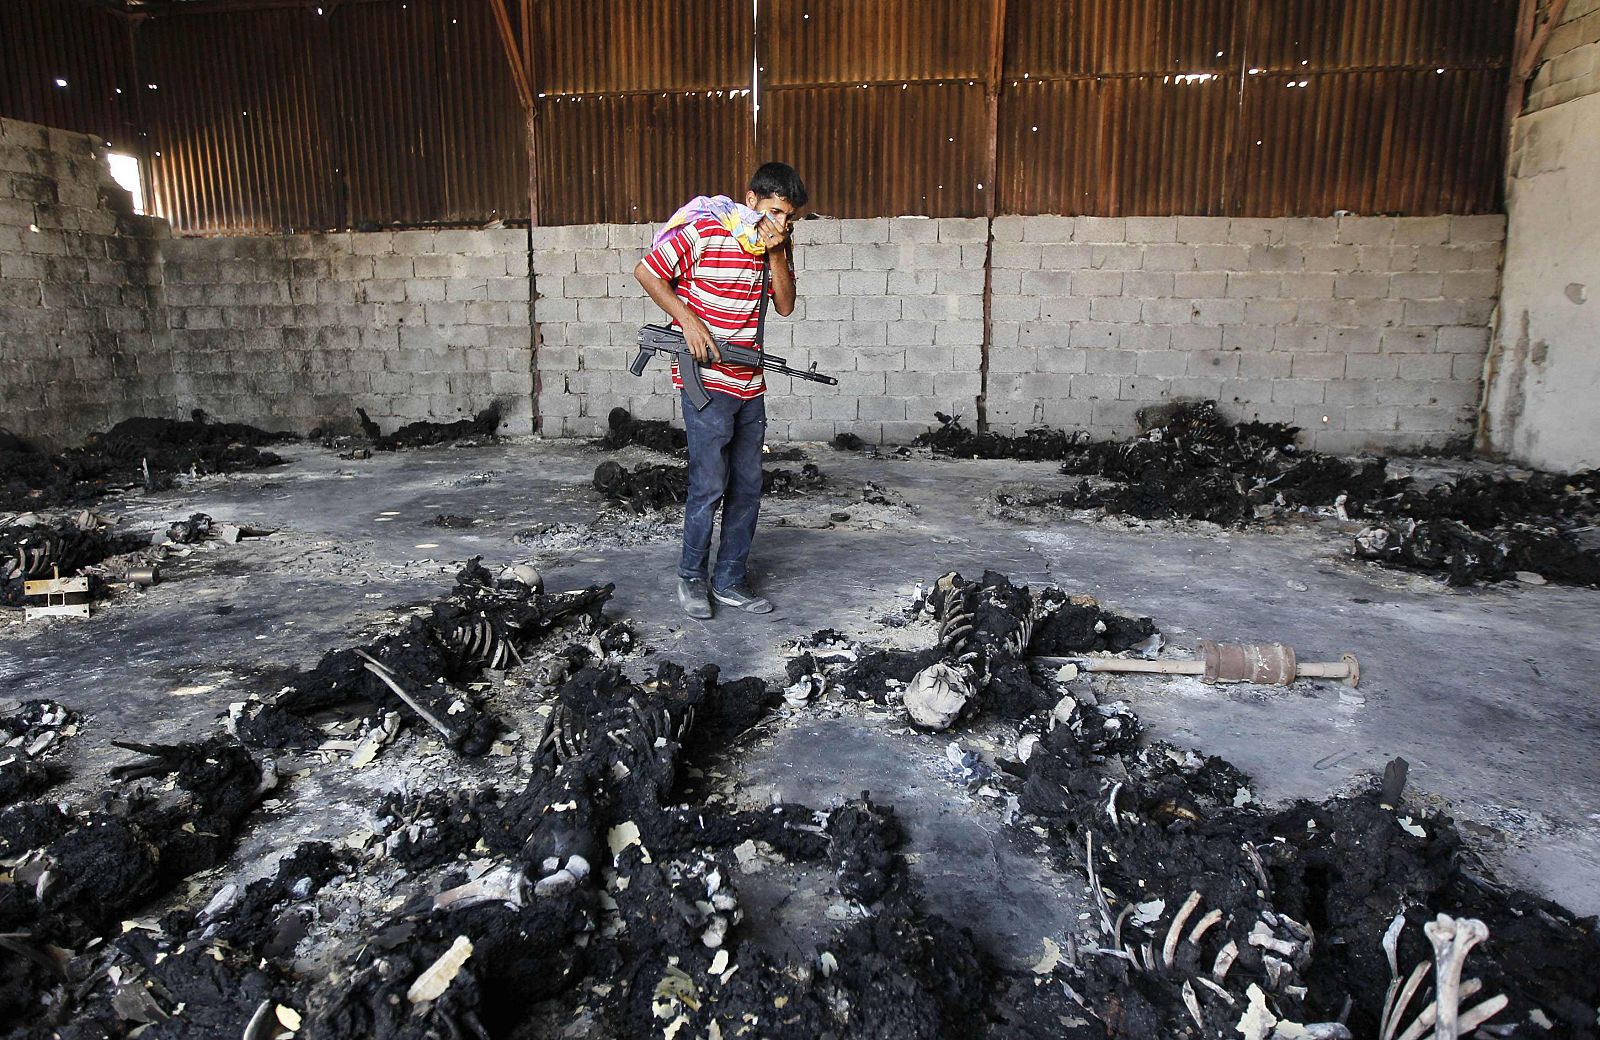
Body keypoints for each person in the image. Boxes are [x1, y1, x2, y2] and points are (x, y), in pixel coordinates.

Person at [633, 162, 807, 619]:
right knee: (708, 484)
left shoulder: (774, 247)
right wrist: (688, 320)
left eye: (789, 217)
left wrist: (776, 254)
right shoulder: (705, 230)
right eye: (774, 212)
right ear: (751, 201)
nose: (780, 224)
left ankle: (729, 579)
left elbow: (785, 306)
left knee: (748, 486)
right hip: (706, 383)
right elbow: (647, 271)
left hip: (750, 384)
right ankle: (691, 578)